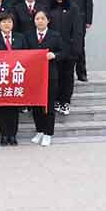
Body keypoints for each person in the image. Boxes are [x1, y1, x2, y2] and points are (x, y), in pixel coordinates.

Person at [25, 10, 66, 147]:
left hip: (50, 75)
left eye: (43, 18)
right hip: (34, 76)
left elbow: (64, 52)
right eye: (37, 18)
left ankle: (48, 133)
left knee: (48, 105)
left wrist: (55, 55)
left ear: (48, 20)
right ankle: (40, 131)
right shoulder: (29, 36)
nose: (40, 21)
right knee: (36, 105)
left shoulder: (55, 35)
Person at [0, 13, 27, 146]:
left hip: (16, 76)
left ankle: (13, 134)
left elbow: (27, 55)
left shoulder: (20, 38)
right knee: (1, 107)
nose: (7, 24)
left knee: (14, 107)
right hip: (0, 76)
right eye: (3, 22)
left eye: (9, 21)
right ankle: (4, 134)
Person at [49, 0, 84, 116]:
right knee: (55, 77)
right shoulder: (48, 7)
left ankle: (65, 102)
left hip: (69, 50)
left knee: (67, 77)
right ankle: (56, 100)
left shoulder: (73, 7)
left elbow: (78, 30)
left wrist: (76, 49)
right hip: (54, 51)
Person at [63, 0, 93, 82]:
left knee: (79, 47)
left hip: (79, 23)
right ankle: (67, 73)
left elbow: (89, 4)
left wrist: (88, 21)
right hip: (64, 22)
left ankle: (81, 73)